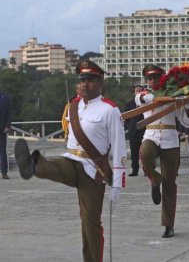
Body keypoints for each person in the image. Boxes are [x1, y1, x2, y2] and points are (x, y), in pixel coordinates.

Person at [14, 59, 127, 262]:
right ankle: (33, 164)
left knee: (90, 222)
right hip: (71, 160)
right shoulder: (73, 108)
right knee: (53, 165)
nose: (85, 84)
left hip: (93, 171)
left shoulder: (109, 110)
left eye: (90, 80)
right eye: (82, 80)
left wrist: (117, 184)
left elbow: (119, 147)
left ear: (100, 83)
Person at [137, 64, 189, 238]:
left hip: (170, 138)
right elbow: (142, 99)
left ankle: (168, 224)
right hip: (151, 135)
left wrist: (184, 103)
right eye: (150, 78)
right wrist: (158, 96)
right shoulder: (143, 94)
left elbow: (187, 123)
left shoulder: (174, 95)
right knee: (145, 153)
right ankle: (154, 178)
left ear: (163, 78)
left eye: (156, 78)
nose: (153, 81)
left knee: (170, 183)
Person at [124, 82, 146, 176]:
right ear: (134, 92)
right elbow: (126, 118)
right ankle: (134, 170)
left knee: (145, 152)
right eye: (137, 90)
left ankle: (146, 170)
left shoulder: (146, 102)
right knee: (134, 152)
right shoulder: (129, 103)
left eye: (140, 90)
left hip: (144, 130)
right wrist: (131, 126)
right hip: (133, 130)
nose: (138, 92)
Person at [0, 91, 11, 179]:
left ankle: (4, 172)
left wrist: (7, 125)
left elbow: (8, 113)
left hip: (2, 129)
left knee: (2, 151)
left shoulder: (5, 97)